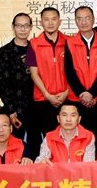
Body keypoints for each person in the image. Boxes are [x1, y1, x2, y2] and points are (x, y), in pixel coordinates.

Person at [65, 6, 97, 152]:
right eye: (79, 19)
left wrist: (92, 93)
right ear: (75, 21)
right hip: (78, 100)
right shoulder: (69, 42)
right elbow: (69, 72)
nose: (83, 22)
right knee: (80, 142)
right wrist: (82, 94)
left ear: (93, 19)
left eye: (87, 18)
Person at [0, 13, 38, 157]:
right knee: (14, 146)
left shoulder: (36, 48)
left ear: (31, 27)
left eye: (26, 26)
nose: (22, 29)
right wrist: (11, 110)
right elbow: (3, 83)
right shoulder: (4, 51)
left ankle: (34, 170)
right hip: (15, 108)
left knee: (35, 142)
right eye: (19, 26)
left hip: (36, 105)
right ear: (13, 27)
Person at [28, 7, 69, 135]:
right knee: (49, 137)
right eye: (46, 19)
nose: (50, 23)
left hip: (66, 98)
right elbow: (34, 74)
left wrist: (66, 92)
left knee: (69, 136)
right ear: (41, 22)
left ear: (60, 22)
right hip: (43, 99)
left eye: (54, 19)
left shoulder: (69, 42)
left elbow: (75, 72)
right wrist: (47, 95)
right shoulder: (34, 44)